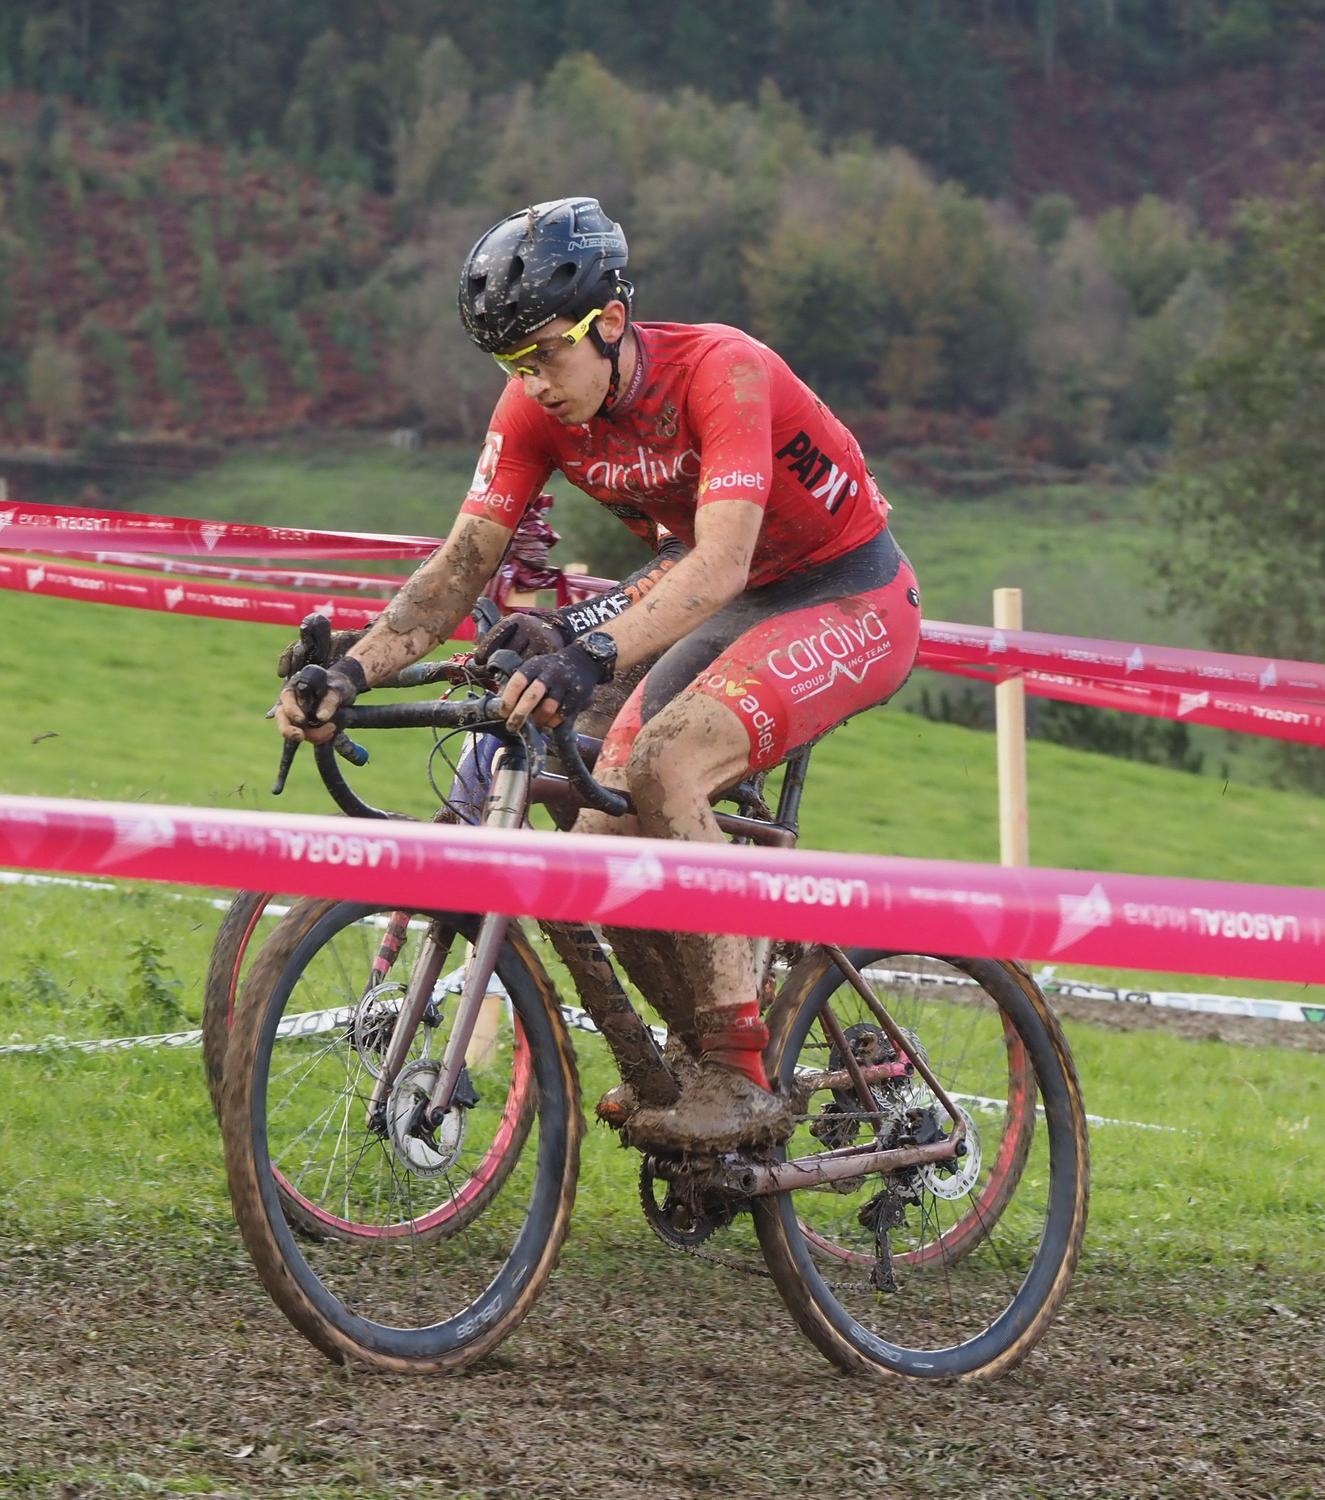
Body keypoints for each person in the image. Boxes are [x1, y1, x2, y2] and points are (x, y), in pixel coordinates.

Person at [276, 195, 922, 1153]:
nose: (532, 383)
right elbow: (461, 566)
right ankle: (701, 1052)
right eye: (510, 364)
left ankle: (741, 1074)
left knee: (666, 763)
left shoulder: (724, 372)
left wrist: (592, 653)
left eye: (544, 355)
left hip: (844, 591)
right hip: (723, 595)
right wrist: (353, 672)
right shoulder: (538, 408)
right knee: (594, 829)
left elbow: (721, 564)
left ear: (609, 322)